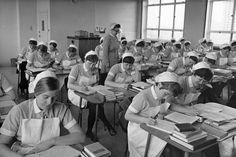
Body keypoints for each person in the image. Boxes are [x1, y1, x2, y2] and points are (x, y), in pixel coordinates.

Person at [0, 70, 85, 156]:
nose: (49, 102)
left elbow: (80, 136)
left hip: (52, 151)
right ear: (36, 93)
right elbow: (1, 145)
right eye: (46, 97)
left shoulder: (61, 109)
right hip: (26, 153)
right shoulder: (19, 111)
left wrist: (52, 141)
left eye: (54, 98)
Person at [125, 71, 183, 157]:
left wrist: (160, 114)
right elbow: (127, 115)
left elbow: (160, 111)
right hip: (139, 128)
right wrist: (146, 120)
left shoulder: (160, 94)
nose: (166, 98)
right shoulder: (143, 96)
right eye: (166, 94)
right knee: (168, 147)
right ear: (159, 85)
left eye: (169, 95)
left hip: (154, 124)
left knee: (175, 143)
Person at [67, 50, 116, 141]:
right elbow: (69, 85)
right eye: (90, 64)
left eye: (94, 64)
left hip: (89, 92)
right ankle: (97, 128)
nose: (92, 66)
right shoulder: (77, 68)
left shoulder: (95, 69)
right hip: (75, 92)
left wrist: (96, 88)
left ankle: (94, 129)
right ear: (85, 60)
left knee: (99, 102)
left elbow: (95, 84)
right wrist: (81, 88)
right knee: (95, 105)